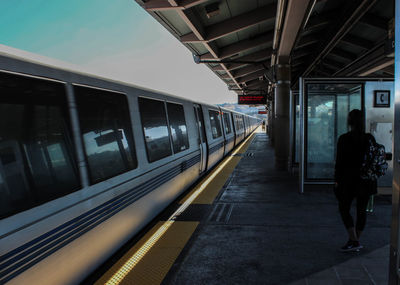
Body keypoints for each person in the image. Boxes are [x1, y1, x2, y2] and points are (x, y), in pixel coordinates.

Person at [334, 109, 377, 252]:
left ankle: (353, 240)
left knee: (343, 208)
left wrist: (337, 180)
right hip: (366, 181)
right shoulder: (370, 138)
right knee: (361, 211)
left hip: (348, 181)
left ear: (349, 122)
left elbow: (339, 163)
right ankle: (355, 241)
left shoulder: (344, 139)